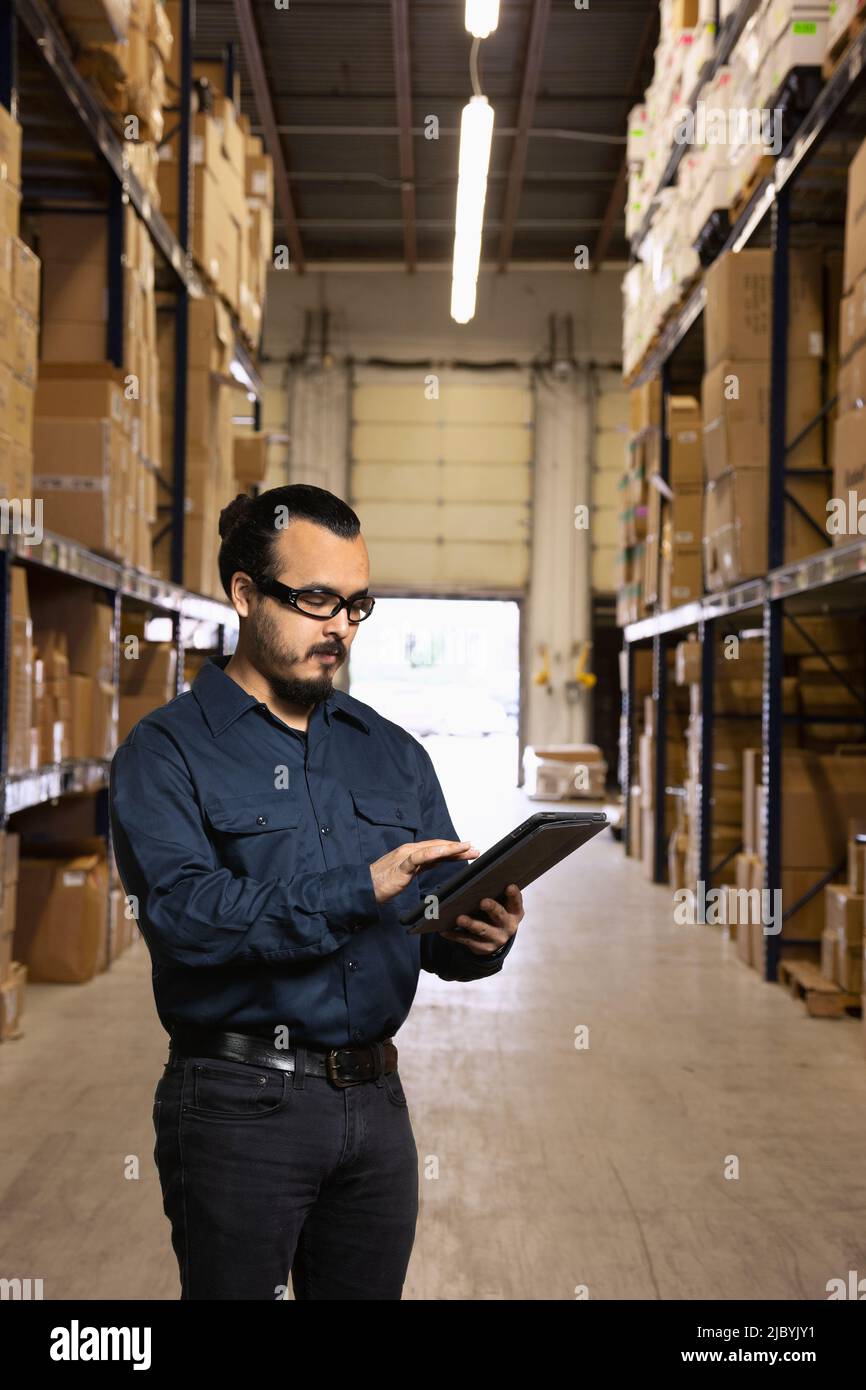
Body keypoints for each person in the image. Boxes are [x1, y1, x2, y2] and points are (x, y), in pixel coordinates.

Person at [109, 483, 523, 1300]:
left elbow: (426, 929)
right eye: (316, 599)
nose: (339, 625)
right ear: (243, 593)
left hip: (376, 1109)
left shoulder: (392, 754)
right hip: (237, 1108)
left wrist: (478, 934)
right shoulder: (166, 753)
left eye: (357, 605)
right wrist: (359, 885)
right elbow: (187, 920)